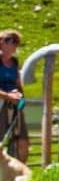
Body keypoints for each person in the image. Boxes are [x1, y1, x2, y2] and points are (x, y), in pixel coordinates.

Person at [0, 29, 29, 162]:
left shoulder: (15, 62)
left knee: (23, 140)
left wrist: (20, 95)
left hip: (14, 104)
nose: (15, 45)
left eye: (17, 42)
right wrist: (8, 96)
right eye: (12, 41)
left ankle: (21, 171)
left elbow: (18, 84)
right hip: (2, 103)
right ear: (2, 42)